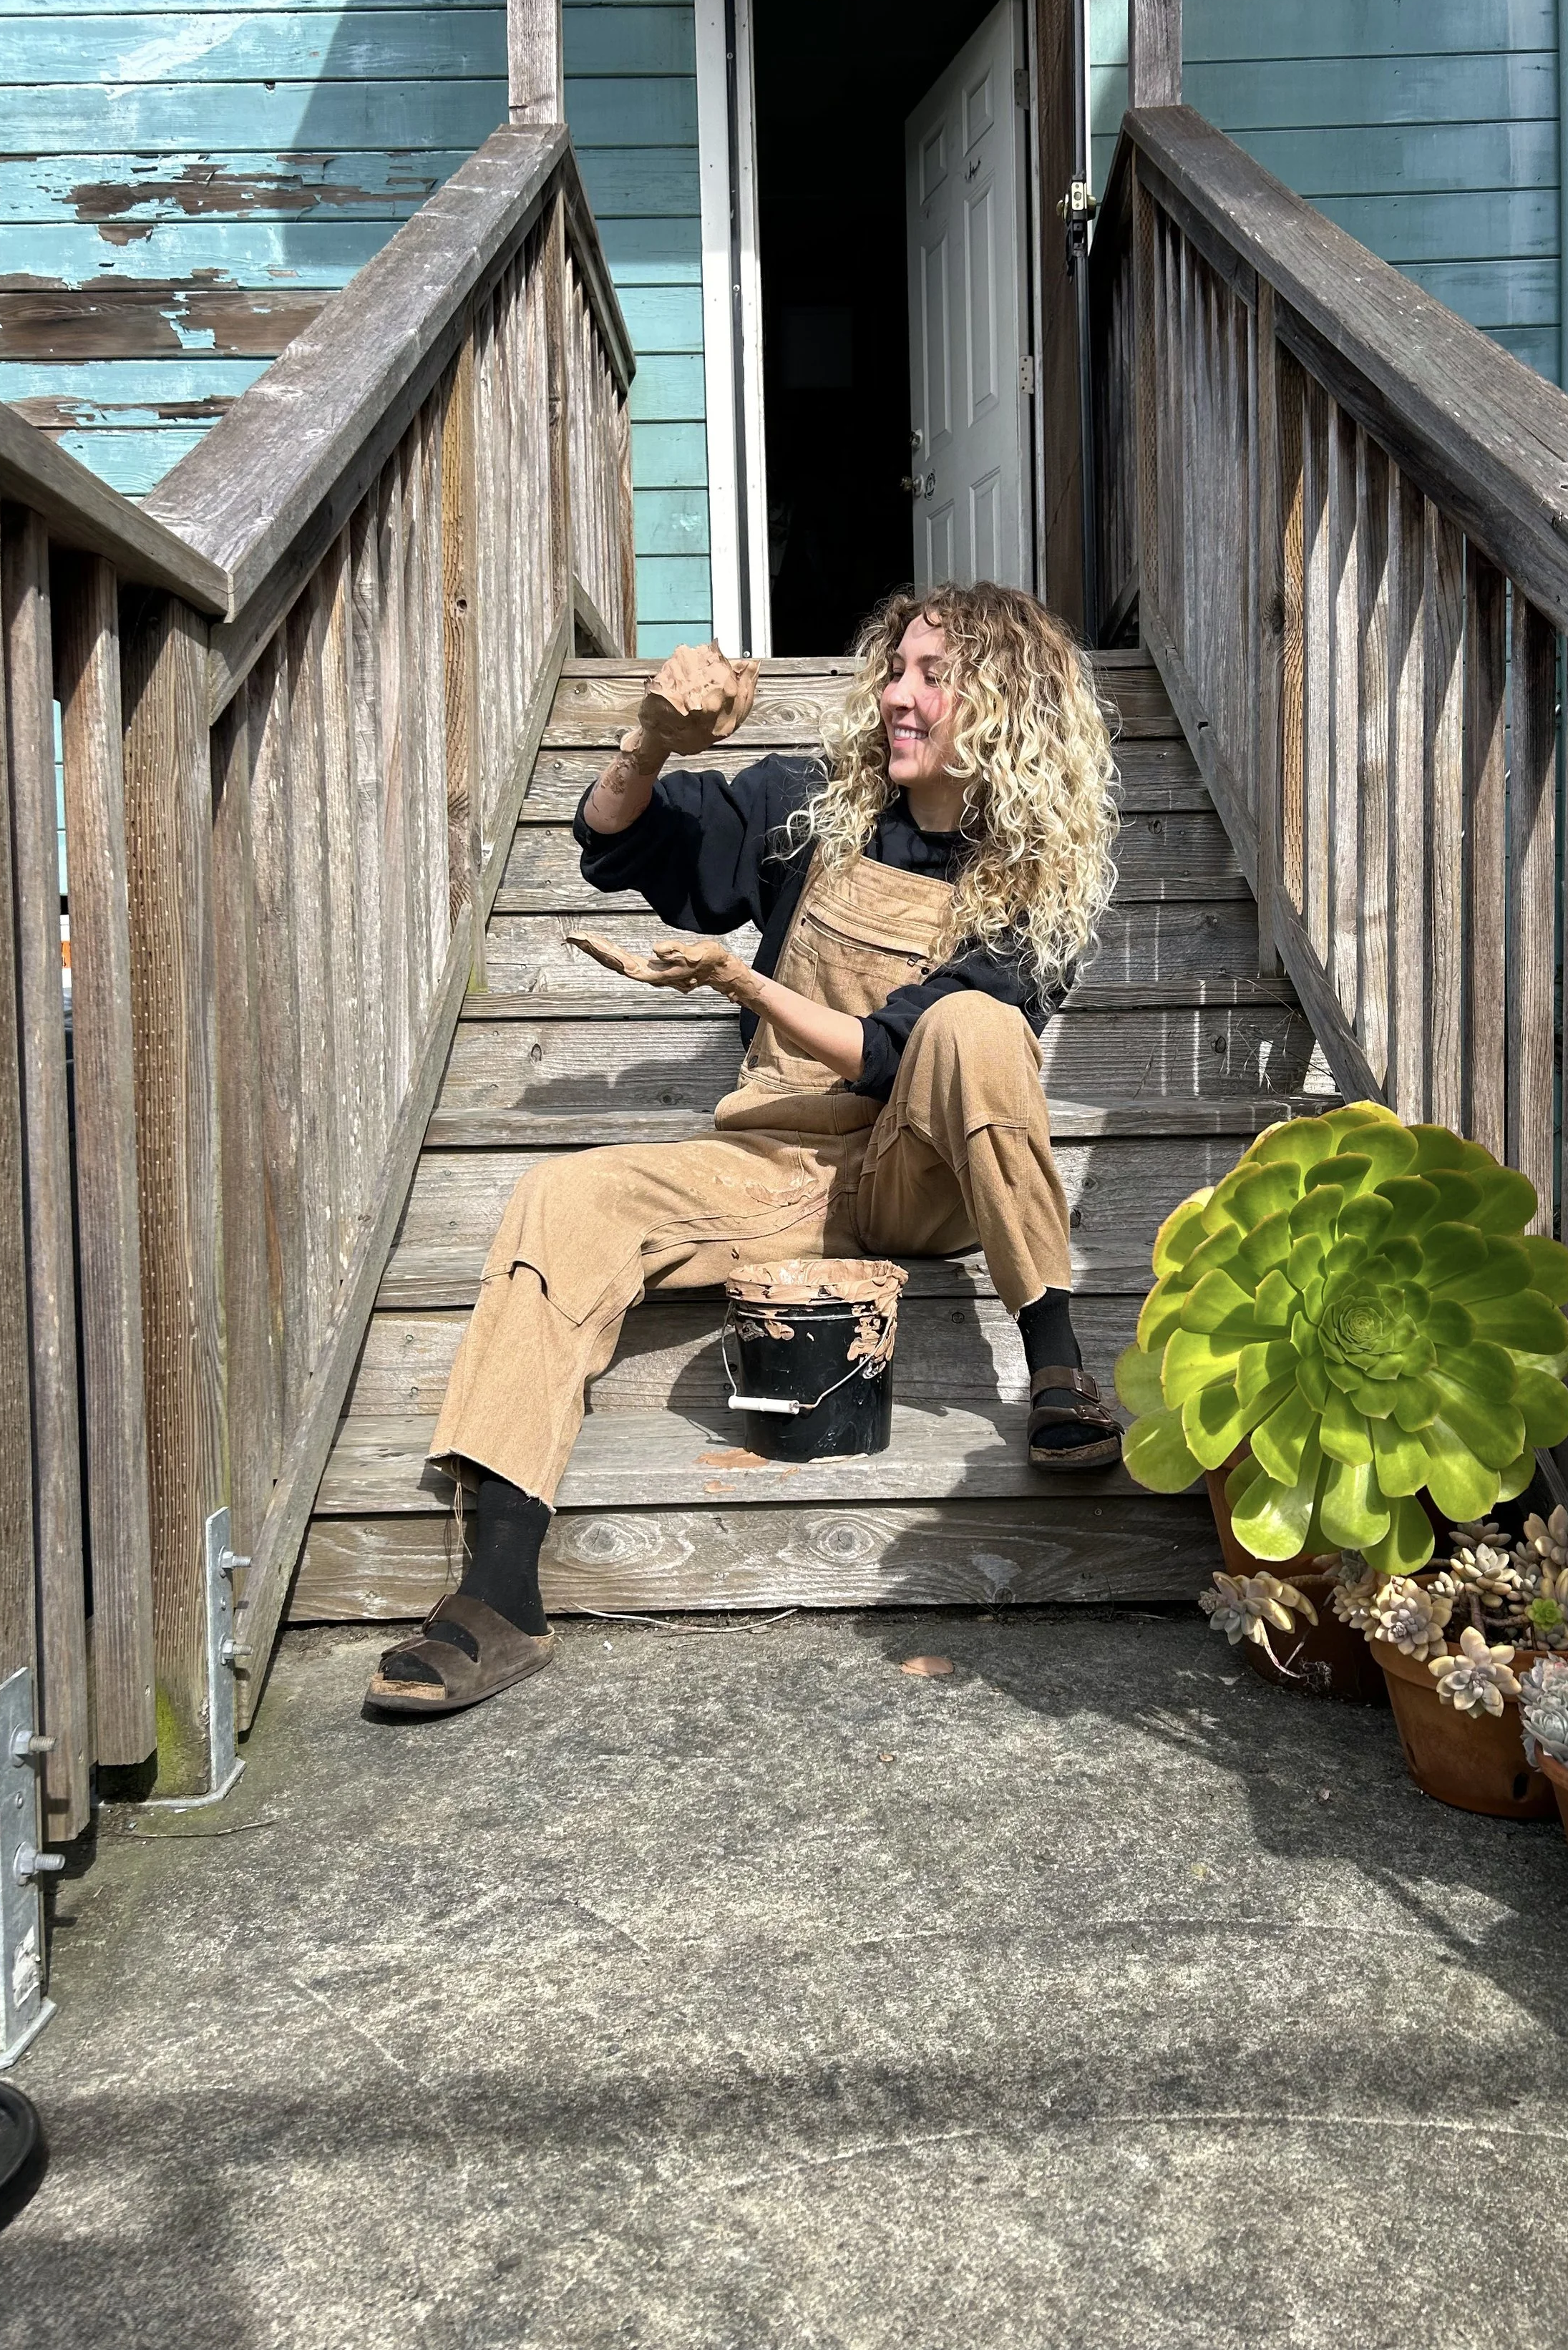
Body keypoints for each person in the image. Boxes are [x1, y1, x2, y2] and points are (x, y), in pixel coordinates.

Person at [368, 580, 1123, 1716]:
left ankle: (1057, 1363)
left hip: (924, 1172)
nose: (897, 701)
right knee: (562, 1201)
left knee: (978, 1025)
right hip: (779, 1173)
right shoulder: (812, 804)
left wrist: (742, 977)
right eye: (895, 672)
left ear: (1007, 711)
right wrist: (651, 744)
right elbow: (622, 849)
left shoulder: (1034, 878)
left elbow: (889, 1051)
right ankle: (500, 1592)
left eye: (933, 678)